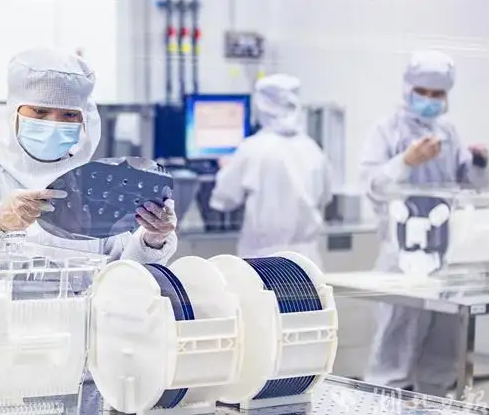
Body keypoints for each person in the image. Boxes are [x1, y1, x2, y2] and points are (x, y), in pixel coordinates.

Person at [0, 49, 177, 264]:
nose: (54, 123)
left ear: (84, 121)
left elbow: (123, 280)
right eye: (40, 111)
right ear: (14, 112)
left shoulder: (95, 190)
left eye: (69, 115)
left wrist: (152, 240)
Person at [360, 50, 488, 396]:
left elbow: (468, 187)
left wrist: (479, 163)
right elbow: (373, 187)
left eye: (437, 94)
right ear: (408, 89)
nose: (430, 100)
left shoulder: (448, 131)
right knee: (393, 360)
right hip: (400, 264)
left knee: (441, 360)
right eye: (423, 92)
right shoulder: (386, 130)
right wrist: (405, 161)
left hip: (444, 264)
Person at [209, 74, 332, 266]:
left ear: (261, 107)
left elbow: (224, 199)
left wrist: (225, 169)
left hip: (264, 260)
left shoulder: (252, 148)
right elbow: (325, 198)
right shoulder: (313, 149)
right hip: (308, 260)